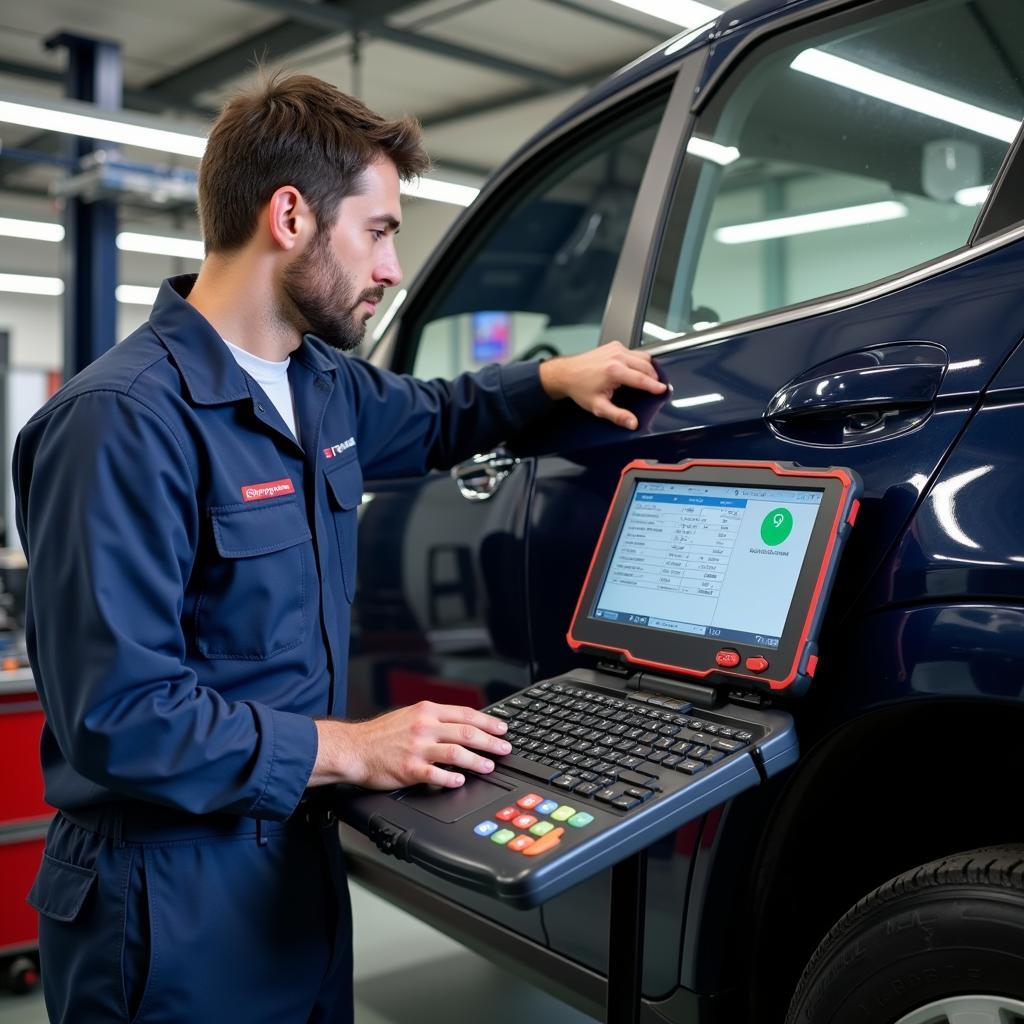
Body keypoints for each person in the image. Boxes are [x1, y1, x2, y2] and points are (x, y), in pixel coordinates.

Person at [14, 72, 666, 1023]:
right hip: (163, 899)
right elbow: (120, 715)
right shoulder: (121, 423)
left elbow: (447, 414)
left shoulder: (323, 387)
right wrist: (355, 747)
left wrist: (556, 377)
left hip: (294, 866)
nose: (392, 268)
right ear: (290, 216)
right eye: (381, 230)